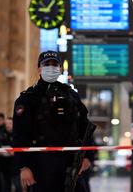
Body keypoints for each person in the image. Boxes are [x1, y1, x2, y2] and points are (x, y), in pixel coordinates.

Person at [12, 50, 95, 192]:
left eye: (55, 64)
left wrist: (88, 157)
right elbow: (20, 135)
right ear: (39, 68)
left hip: (71, 163)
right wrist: (23, 167)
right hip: (41, 164)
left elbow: (85, 127)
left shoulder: (71, 95)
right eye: (46, 64)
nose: (51, 67)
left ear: (60, 68)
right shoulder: (28, 98)